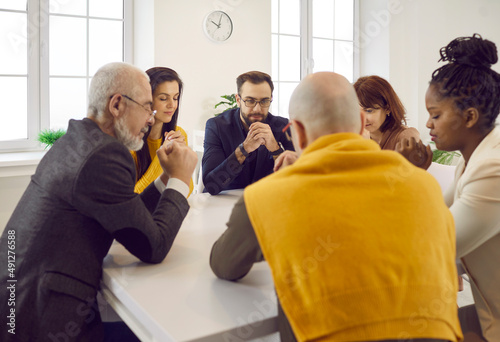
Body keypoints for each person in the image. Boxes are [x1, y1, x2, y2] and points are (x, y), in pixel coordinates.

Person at [210, 71, 462, 342]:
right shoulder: (424, 186)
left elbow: (224, 265)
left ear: (299, 133)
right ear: (362, 124)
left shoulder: (267, 197)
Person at [0, 62, 197, 342]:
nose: (151, 119)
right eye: (146, 107)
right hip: (43, 316)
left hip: (19, 297)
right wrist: (180, 178)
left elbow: (128, 211)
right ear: (116, 105)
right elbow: (153, 247)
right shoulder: (105, 155)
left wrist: (165, 177)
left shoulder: (78, 140)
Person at [398, 33, 500, 341]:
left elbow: (436, 243)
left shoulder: (492, 169)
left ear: (469, 116)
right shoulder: (468, 163)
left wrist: (410, 173)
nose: (428, 124)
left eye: (436, 115)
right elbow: (435, 216)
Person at [202, 71, 294, 195]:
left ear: (271, 99)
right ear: (238, 100)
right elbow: (211, 185)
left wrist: (275, 149)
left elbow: (298, 179)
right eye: (250, 101)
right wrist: (243, 150)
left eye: (264, 101)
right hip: (223, 203)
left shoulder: (282, 126)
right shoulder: (217, 126)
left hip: (266, 201)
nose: (257, 109)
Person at [131, 67, 194, 196]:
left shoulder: (178, 134)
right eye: (163, 99)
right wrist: (162, 159)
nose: (172, 105)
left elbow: (186, 190)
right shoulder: (129, 141)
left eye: (175, 98)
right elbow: (132, 198)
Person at [354, 75, 421, 150]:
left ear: (387, 108)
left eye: (369, 111)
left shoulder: (406, 137)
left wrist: (367, 147)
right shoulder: (355, 137)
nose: (362, 118)